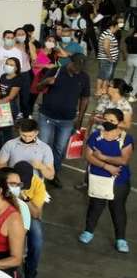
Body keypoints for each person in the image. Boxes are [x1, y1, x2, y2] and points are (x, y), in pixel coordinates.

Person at [80, 108, 133, 254]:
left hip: (119, 181)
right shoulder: (96, 136)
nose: (108, 123)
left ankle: (121, 239)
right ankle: (88, 231)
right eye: (105, 119)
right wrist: (106, 166)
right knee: (95, 206)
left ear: (119, 122)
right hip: (98, 178)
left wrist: (102, 157)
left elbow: (124, 159)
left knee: (117, 209)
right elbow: (89, 156)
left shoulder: (125, 139)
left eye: (112, 121)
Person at [37, 53, 90, 188]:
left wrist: (80, 118)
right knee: (43, 145)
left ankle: (53, 173)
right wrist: (45, 82)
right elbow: (38, 87)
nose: (79, 69)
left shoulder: (84, 77)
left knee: (59, 149)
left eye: (81, 67)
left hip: (67, 120)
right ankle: (39, 174)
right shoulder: (55, 71)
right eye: (77, 66)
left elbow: (85, 98)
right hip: (47, 116)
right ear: (70, 62)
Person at [0, 57, 22, 150]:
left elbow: (11, 96)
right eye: (7, 63)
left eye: (11, 65)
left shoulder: (18, 79)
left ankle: (7, 150)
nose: (8, 66)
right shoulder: (3, 76)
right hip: (0, 104)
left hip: (9, 106)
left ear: (16, 68)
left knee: (6, 131)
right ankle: (0, 147)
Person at [97, 18, 121, 96]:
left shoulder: (106, 33)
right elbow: (105, 46)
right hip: (106, 59)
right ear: (113, 26)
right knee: (106, 76)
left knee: (102, 75)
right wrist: (110, 57)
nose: (118, 28)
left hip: (104, 58)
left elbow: (107, 45)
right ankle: (102, 91)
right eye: (117, 26)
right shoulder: (108, 34)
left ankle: (100, 91)